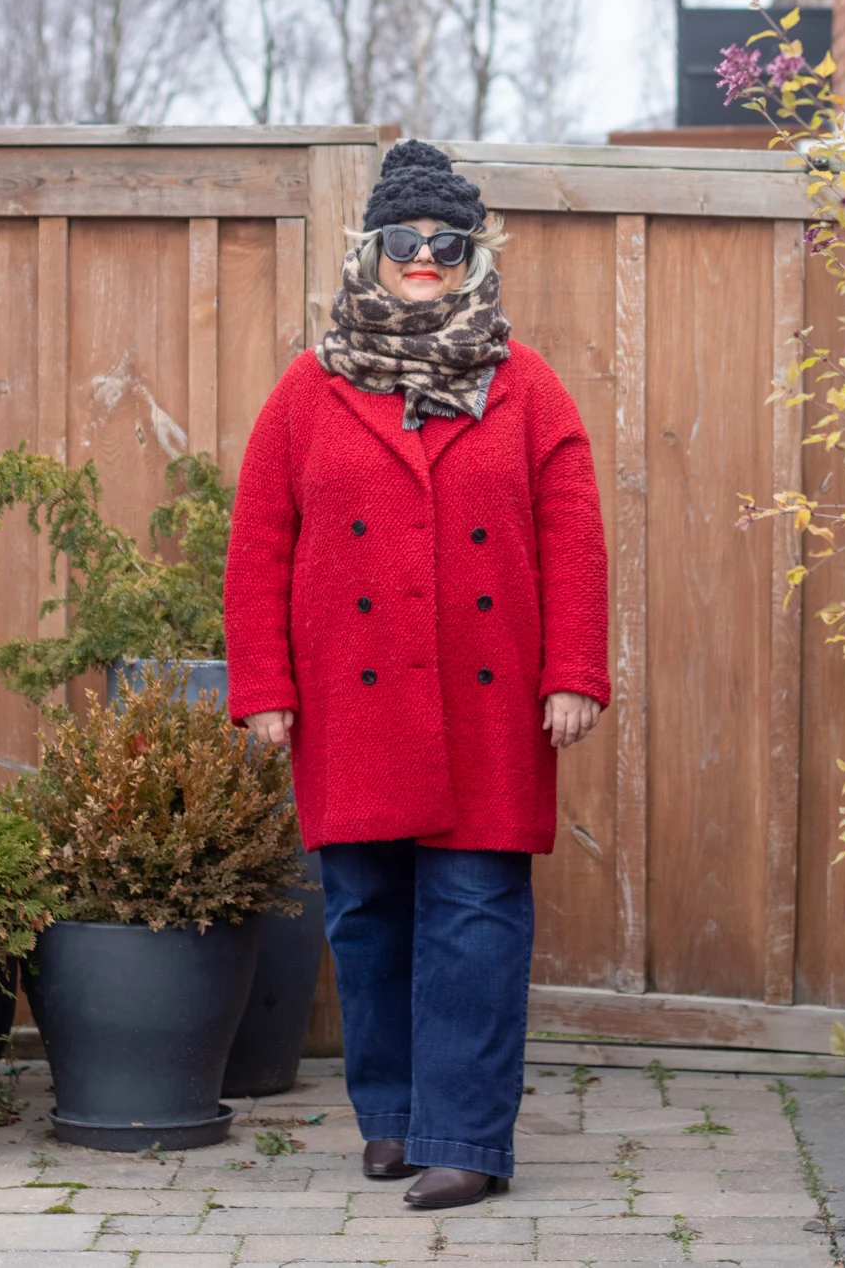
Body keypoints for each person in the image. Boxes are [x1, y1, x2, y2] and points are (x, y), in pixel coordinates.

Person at [224, 139, 610, 1210]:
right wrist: (262, 686)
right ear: (373, 250)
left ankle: (466, 1140)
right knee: (364, 912)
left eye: (448, 242)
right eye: (407, 241)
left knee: (475, 912)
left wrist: (572, 667)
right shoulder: (307, 390)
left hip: (485, 698)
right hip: (352, 696)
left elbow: (571, 535)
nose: (426, 258)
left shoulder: (524, 385)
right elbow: (258, 540)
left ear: (473, 252)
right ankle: (390, 1123)